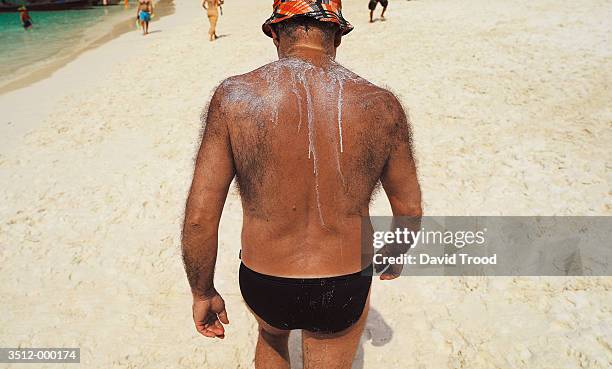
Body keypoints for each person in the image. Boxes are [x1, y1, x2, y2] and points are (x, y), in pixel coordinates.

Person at [181, 0, 422, 368]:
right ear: (338, 36)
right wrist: (395, 254)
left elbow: (200, 217)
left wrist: (202, 291)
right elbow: (410, 209)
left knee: (271, 337)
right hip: (343, 279)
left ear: (275, 33)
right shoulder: (382, 105)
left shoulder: (233, 98)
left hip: (266, 278)